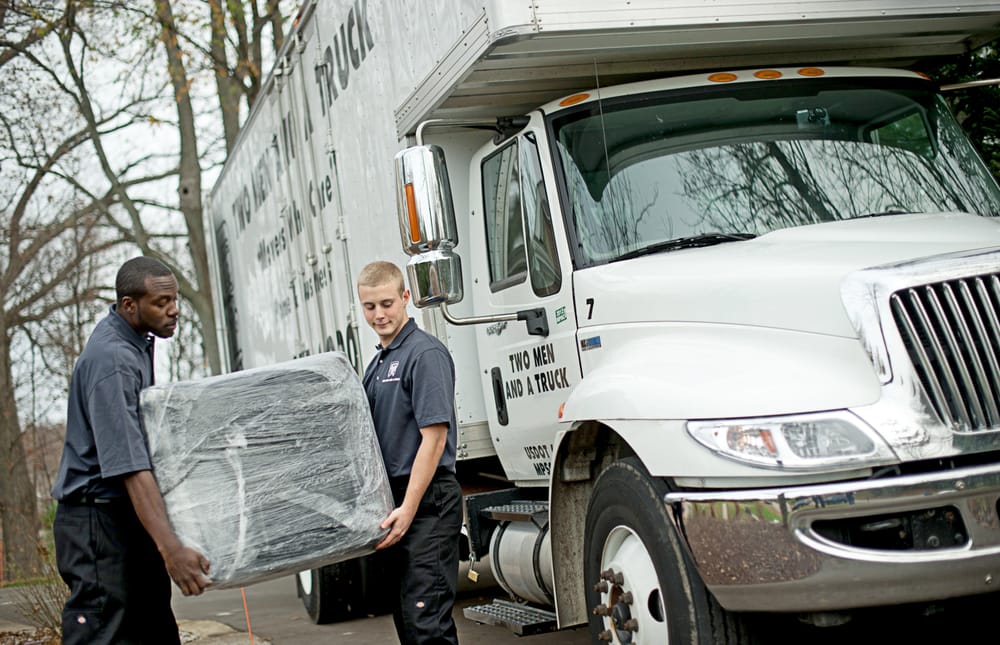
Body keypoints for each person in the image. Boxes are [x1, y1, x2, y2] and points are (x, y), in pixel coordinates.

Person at [51, 256, 211, 645]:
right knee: (106, 634)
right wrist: (170, 547)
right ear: (129, 305)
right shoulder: (113, 360)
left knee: (153, 631)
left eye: (175, 300)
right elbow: (127, 464)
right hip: (96, 524)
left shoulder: (135, 341)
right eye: (161, 302)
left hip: (123, 519)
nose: (173, 310)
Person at [358, 260, 463, 645]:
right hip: (397, 502)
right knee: (408, 620)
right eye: (370, 307)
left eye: (387, 303)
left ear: (406, 298)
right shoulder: (377, 363)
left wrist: (409, 509)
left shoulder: (425, 354)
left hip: (427, 501)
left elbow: (433, 439)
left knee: (426, 623)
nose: (379, 314)